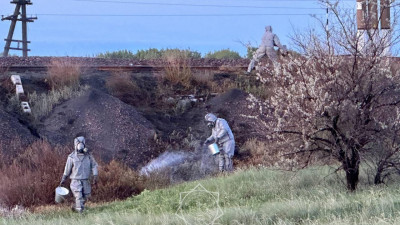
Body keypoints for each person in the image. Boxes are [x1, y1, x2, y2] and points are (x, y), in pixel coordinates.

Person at [60, 136, 98, 213]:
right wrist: (63, 179)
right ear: (75, 145)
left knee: (86, 197)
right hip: (75, 181)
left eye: (82, 144)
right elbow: (67, 170)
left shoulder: (89, 156)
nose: (80, 146)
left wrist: (95, 176)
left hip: (86, 180)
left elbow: (94, 165)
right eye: (78, 144)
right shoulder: (71, 157)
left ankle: (76, 207)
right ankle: (80, 213)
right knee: (79, 196)